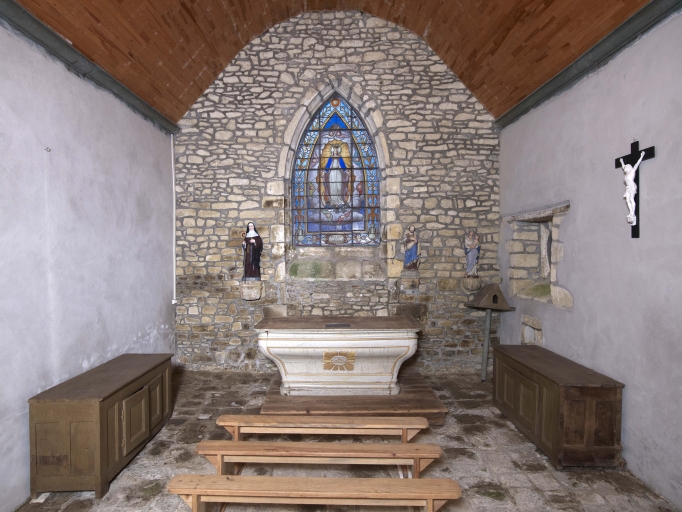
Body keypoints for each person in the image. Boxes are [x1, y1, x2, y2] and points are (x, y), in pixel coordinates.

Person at [621, 150, 645, 226]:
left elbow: (637, 164)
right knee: (627, 200)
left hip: (632, 187)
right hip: (628, 188)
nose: (624, 168)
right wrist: (622, 162)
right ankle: (631, 212)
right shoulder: (626, 173)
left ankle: (632, 213)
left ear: (629, 167)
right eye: (624, 168)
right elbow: (623, 167)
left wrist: (641, 156)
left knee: (631, 199)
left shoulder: (632, 172)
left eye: (626, 167)